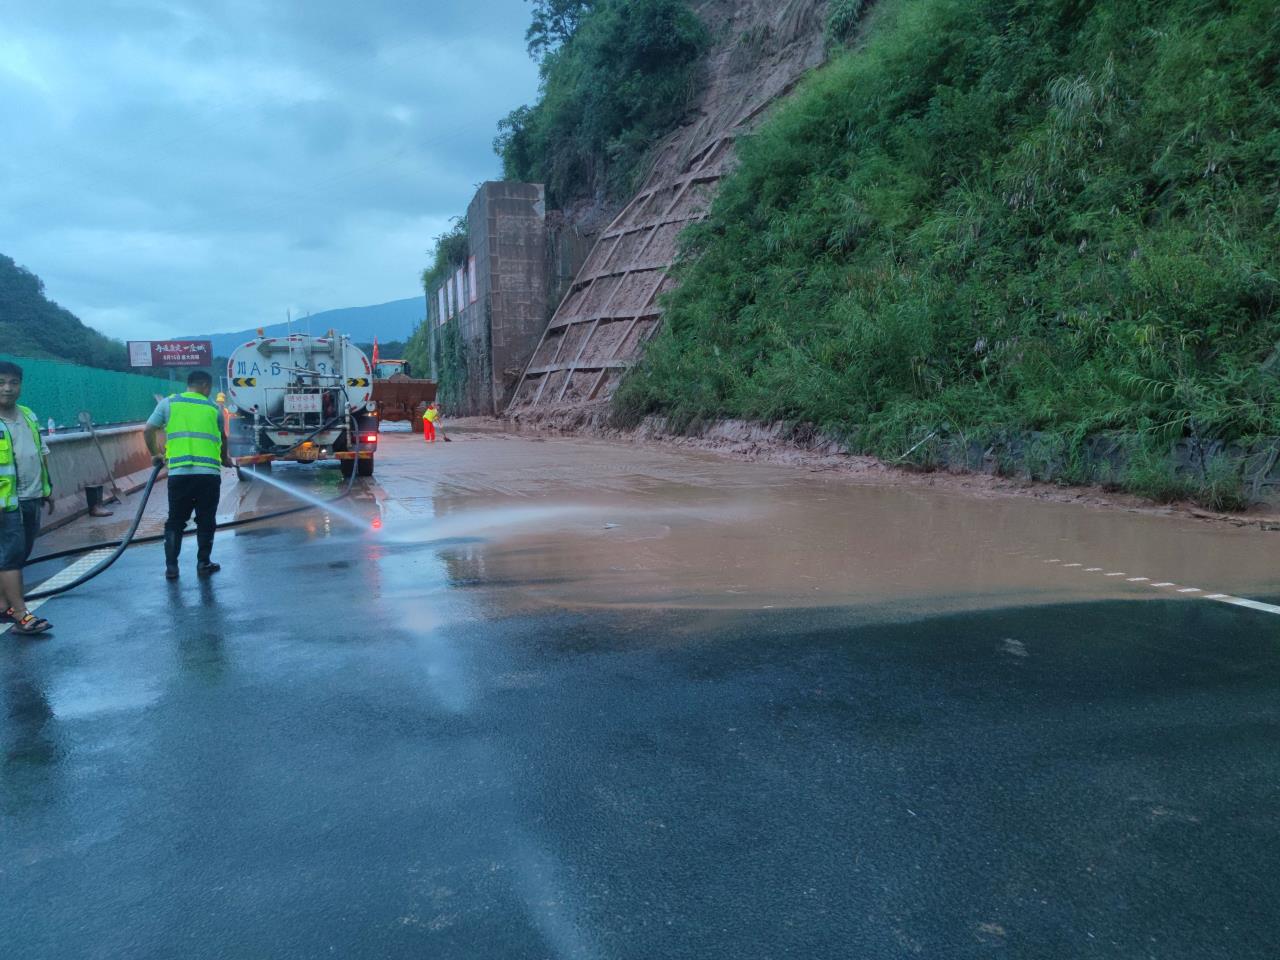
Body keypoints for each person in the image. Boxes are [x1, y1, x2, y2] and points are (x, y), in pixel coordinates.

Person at [144, 370, 233, 580]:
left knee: (175, 520)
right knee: (206, 519)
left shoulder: (168, 403)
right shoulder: (214, 408)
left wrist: (155, 454)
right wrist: (224, 458)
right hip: (208, 475)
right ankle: (203, 563)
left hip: (179, 473)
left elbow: (148, 430)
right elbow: (223, 438)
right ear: (205, 386)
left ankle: (171, 568)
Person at [0, 361, 55, 635]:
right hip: (6, 503)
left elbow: (40, 453)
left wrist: (47, 489)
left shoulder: (28, 415)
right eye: (1, 383)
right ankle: (21, 615)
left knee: (20, 554)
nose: (7, 388)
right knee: (11, 557)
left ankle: (3, 605)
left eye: (13, 382)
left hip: (32, 496)